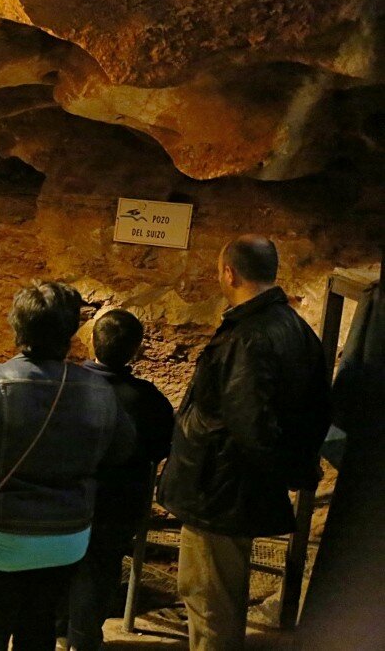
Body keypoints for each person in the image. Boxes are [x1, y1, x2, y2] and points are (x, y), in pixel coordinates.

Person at [0, 281, 136, 650]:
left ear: (17, 328)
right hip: (64, 538)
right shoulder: (98, 390)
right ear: (71, 332)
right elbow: (120, 450)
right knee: (39, 629)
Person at [157, 235, 331, 650]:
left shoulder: (248, 337)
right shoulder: (295, 329)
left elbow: (249, 424)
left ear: (229, 273)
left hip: (220, 491)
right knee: (213, 596)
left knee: (208, 599)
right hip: (236, 489)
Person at [58, 309, 175, 651]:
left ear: (92, 342)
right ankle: (83, 639)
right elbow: (159, 447)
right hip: (119, 502)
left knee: (60, 562)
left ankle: (57, 629)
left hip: (65, 494)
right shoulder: (149, 399)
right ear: (136, 350)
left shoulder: (66, 384)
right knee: (101, 568)